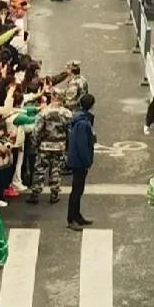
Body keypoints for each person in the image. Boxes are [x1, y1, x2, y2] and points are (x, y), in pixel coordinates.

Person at [68, 92, 98, 229]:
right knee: (76, 190)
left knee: (79, 190)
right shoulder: (83, 123)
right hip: (79, 162)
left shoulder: (82, 120)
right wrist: (87, 161)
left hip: (78, 160)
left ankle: (76, 215)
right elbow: (82, 145)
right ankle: (72, 218)